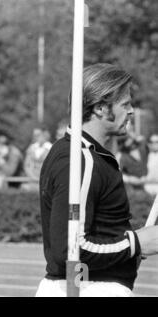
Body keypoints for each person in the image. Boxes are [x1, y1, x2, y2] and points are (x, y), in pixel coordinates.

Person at [37, 63, 158, 297]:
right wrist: (135, 243)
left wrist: (130, 246)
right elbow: (69, 248)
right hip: (88, 288)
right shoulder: (80, 158)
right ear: (101, 108)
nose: (131, 111)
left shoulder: (80, 153)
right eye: (125, 104)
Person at [23, 125, 52, 191]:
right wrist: (32, 177)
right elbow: (26, 165)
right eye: (34, 135)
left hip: (46, 181)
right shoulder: (31, 148)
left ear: (45, 134)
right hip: (32, 180)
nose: (35, 137)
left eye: (38, 135)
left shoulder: (51, 148)